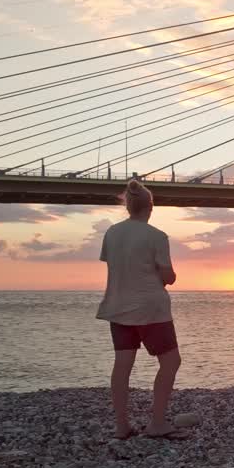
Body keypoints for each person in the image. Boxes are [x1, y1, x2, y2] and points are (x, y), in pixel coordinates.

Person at [96, 179, 185, 440]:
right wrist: (167, 274)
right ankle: (157, 423)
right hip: (150, 309)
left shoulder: (111, 233)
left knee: (122, 364)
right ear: (151, 207)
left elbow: (114, 263)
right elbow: (168, 276)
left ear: (128, 207)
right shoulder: (157, 236)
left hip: (117, 305)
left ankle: (121, 426)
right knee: (170, 361)